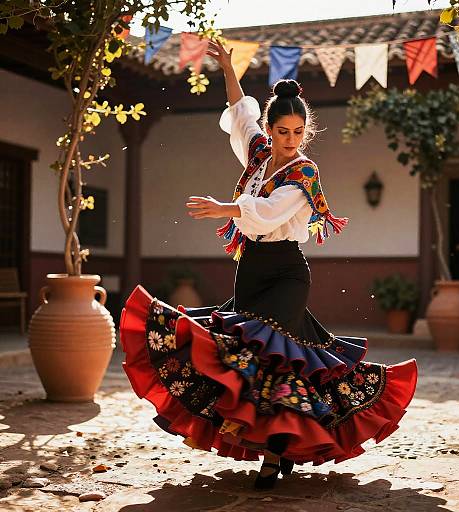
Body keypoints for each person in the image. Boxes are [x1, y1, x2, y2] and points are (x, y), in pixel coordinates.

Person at [119, 40, 418, 490]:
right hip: (252, 267)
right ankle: (269, 439)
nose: (291, 141)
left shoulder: (304, 173)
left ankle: (274, 452)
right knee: (242, 354)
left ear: (305, 133)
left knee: (276, 357)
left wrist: (225, 208)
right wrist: (227, 68)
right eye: (283, 132)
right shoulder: (258, 156)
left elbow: (272, 211)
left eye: (299, 132)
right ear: (271, 129)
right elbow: (240, 113)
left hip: (286, 271)